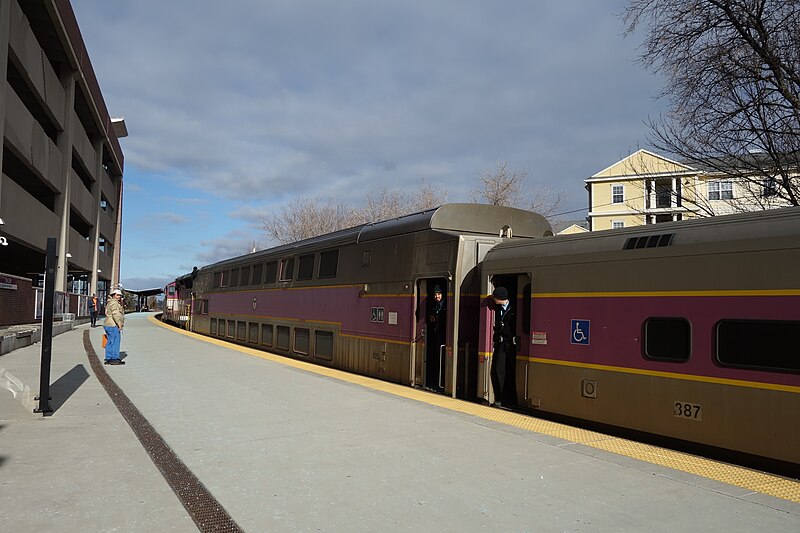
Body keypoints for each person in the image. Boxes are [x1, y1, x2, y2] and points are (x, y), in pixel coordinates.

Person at [490, 286, 516, 407]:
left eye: (495, 297)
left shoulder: (513, 309)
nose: (493, 299)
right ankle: (499, 398)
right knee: (497, 370)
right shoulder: (498, 308)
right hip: (501, 344)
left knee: (507, 371)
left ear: (500, 298)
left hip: (510, 344)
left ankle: (507, 399)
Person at [426, 285, 447, 390]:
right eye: (435, 294)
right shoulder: (435, 307)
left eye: (438, 294)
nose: (436, 296)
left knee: (442, 361)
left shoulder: (444, 306)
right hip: (436, 337)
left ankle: (441, 383)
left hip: (442, 338)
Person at [103, 289, 125, 365]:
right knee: (116, 341)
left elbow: (106, 312)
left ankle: (108, 358)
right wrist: (119, 324)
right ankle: (114, 358)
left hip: (107, 324)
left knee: (109, 341)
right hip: (113, 325)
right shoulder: (114, 303)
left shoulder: (109, 302)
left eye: (120, 295)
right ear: (113, 295)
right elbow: (115, 314)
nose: (119, 297)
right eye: (117, 295)